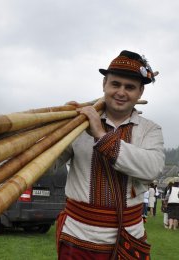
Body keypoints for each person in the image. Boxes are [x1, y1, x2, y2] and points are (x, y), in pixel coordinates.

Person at [55, 50, 165, 259]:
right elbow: (49, 163)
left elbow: (151, 169)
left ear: (140, 92)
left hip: (128, 238)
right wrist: (58, 127)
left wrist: (100, 134)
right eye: (115, 84)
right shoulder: (77, 124)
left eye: (130, 87)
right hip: (77, 237)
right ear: (104, 84)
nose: (121, 92)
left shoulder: (150, 130)